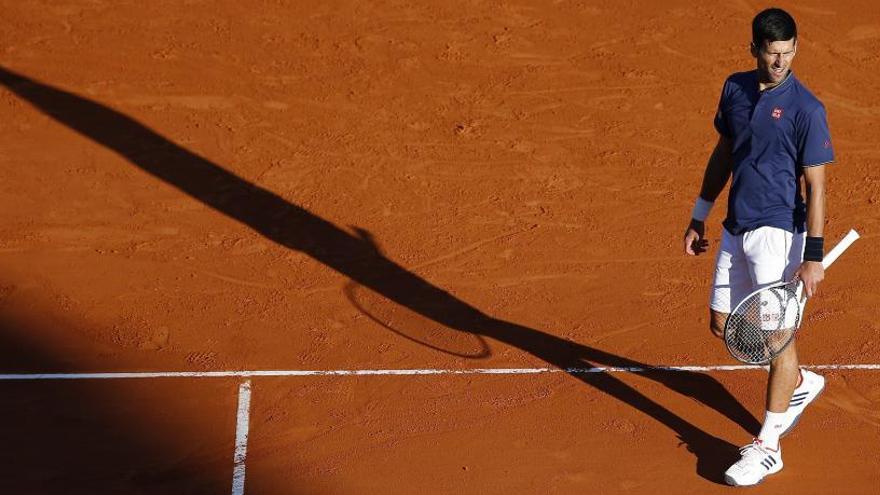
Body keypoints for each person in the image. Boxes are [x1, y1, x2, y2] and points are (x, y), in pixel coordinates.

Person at [683, 8, 833, 487]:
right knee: (724, 325)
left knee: (775, 338)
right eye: (772, 54)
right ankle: (801, 382)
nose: (781, 62)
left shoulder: (807, 109)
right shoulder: (735, 89)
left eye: (788, 53)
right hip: (735, 225)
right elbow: (725, 153)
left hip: (777, 235)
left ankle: (769, 446)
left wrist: (812, 255)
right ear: (754, 49)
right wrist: (700, 214)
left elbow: (817, 187)